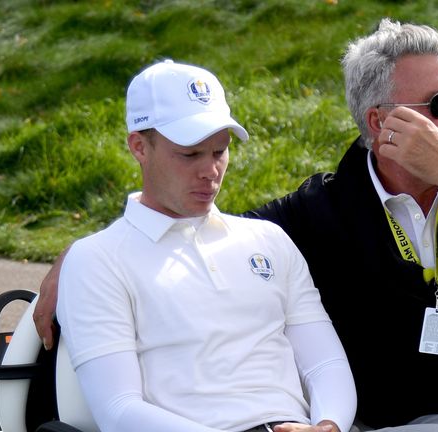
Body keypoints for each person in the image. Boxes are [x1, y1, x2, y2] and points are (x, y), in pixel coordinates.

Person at [38, 19, 438, 432]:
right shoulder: (323, 210)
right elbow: (196, 226)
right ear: (381, 123)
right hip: (428, 417)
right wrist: (75, 258)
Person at [54, 60, 356, 432]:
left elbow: (325, 363)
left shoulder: (269, 240)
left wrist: (329, 425)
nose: (210, 171)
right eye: (189, 154)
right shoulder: (96, 260)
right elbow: (118, 409)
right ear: (139, 147)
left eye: (219, 151)